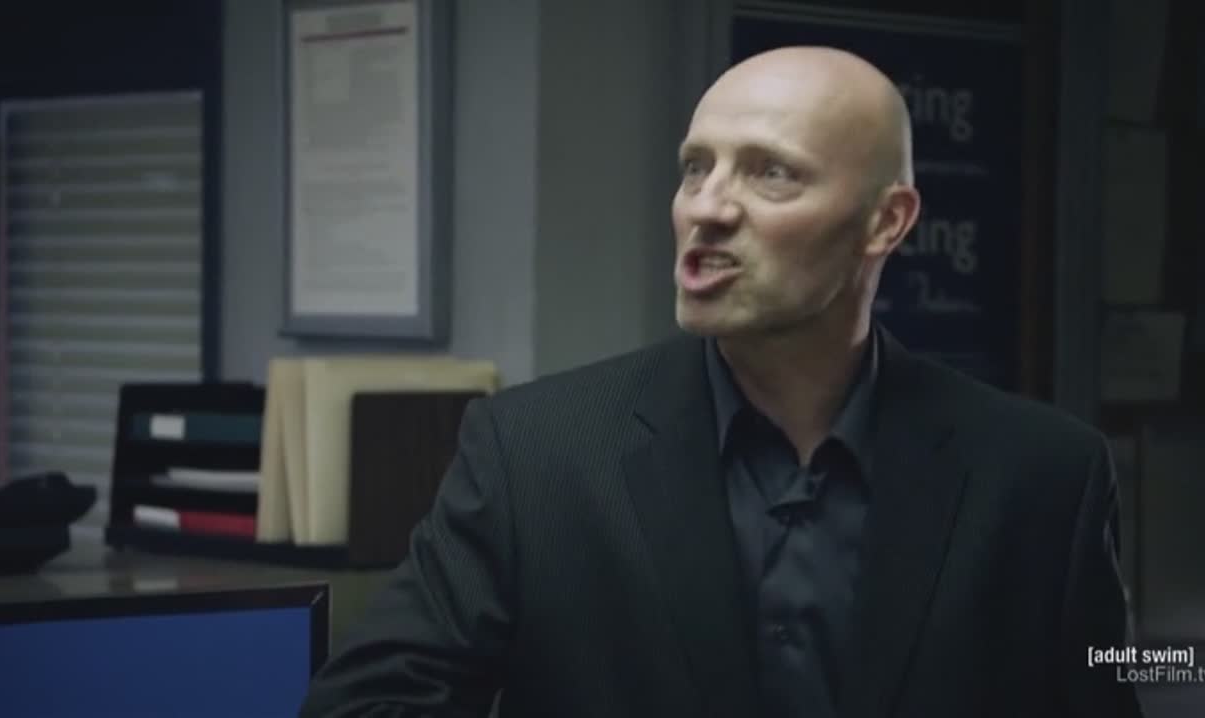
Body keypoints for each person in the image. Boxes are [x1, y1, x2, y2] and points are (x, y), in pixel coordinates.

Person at [299, 46, 1143, 717]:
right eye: (695, 167)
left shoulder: (1043, 474)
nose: (706, 207)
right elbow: (364, 706)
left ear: (886, 222)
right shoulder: (535, 454)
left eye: (771, 172)